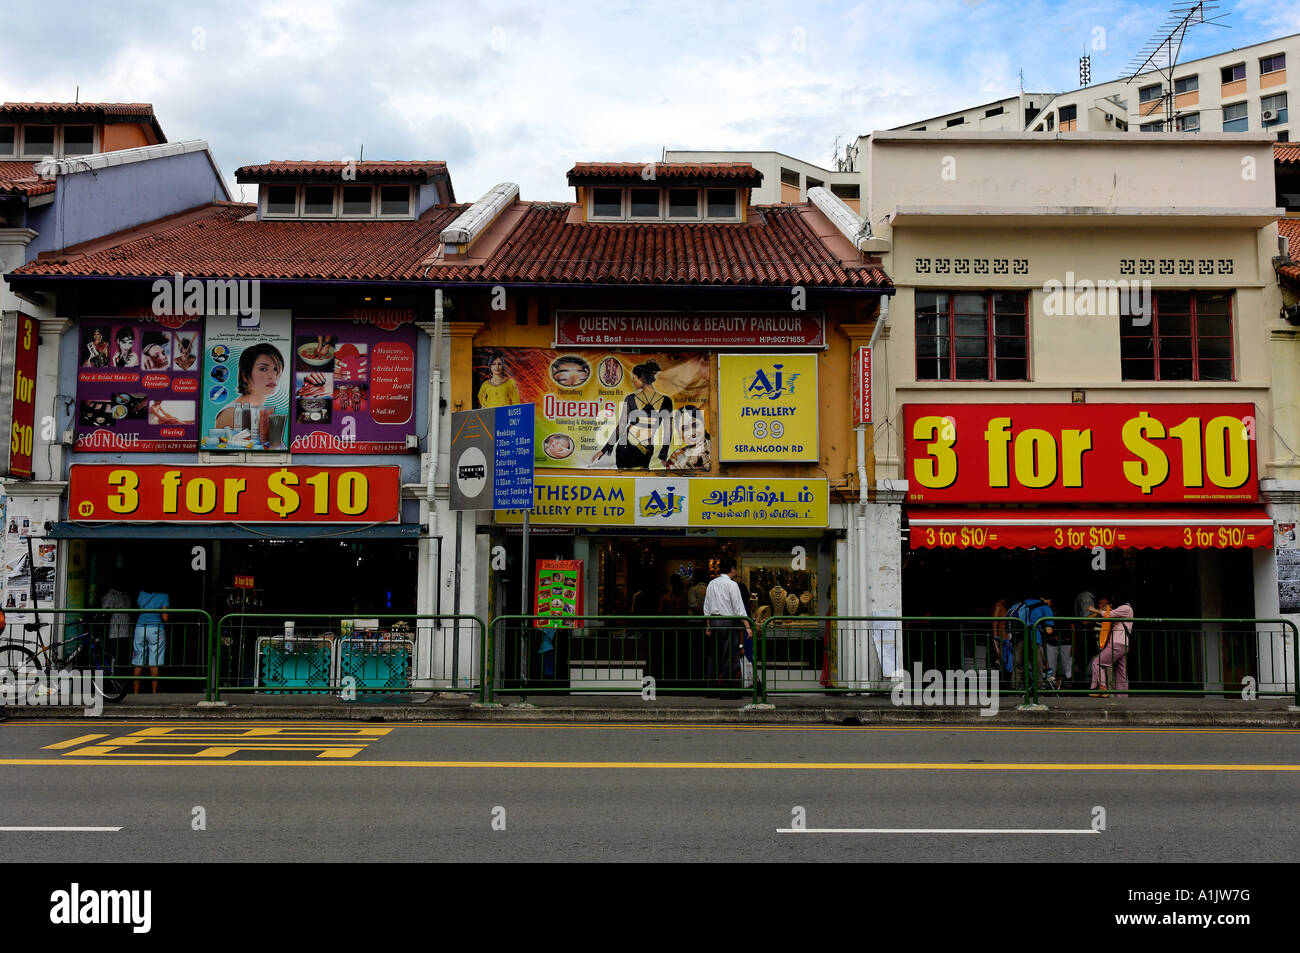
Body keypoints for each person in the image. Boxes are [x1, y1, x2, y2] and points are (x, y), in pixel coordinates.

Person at [592, 361, 674, 469]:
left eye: (634, 377)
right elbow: (621, 426)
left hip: (640, 449)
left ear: (642, 378)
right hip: (627, 446)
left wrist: (663, 455)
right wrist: (605, 449)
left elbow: (668, 430)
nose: (632, 380)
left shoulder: (633, 399)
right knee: (630, 480)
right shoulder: (664, 400)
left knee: (636, 479)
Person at [702, 555, 753, 690]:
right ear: (731, 569)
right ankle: (728, 689)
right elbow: (739, 608)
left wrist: (708, 625)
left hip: (713, 621)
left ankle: (710, 688)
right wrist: (747, 626)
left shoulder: (711, 584)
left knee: (713, 656)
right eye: (735, 568)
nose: (736, 571)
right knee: (730, 656)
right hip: (728, 622)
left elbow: (706, 607)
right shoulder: (732, 584)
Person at [214, 343, 285, 437]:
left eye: (275, 369)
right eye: (263, 369)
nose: (273, 376)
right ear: (244, 375)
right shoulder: (233, 414)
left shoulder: (261, 411)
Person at [1088, 595, 1133, 697]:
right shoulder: (1127, 610)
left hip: (1117, 643)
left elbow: (1109, 615)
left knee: (1097, 662)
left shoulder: (1126, 608)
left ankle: (1102, 687)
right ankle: (1122, 697)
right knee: (1121, 672)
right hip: (1123, 643)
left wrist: (1093, 610)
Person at [1007, 596, 1054, 690]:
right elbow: (1049, 630)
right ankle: (1038, 691)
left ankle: (1015, 691)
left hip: (1019, 637)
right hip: (1034, 638)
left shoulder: (1023, 603)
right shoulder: (1046, 608)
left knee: (1018, 666)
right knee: (1037, 667)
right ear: (1048, 599)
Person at [133, 588, 170, 694]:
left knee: (138, 662)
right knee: (154, 662)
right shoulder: (163, 596)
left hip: (140, 628)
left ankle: (136, 693)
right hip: (156, 629)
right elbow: (165, 617)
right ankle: (154, 693)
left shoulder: (141, 593)